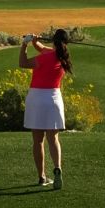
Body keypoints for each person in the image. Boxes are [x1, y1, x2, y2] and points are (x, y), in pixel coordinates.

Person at [20, 28, 73, 189]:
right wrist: (35, 42)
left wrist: (24, 45)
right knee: (53, 139)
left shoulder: (45, 58)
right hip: (54, 99)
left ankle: (42, 177)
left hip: (37, 98)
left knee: (38, 141)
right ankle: (57, 168)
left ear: (54, 40)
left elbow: (23, 63)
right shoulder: (62, 57)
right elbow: (44, 50)